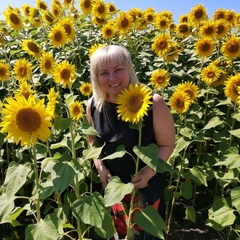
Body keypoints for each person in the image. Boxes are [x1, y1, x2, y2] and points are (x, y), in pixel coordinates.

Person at [86, 45, 175, 240]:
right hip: (114, 188)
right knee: (117, 234)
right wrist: (100, 168)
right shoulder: (93, 106)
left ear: (129, 69)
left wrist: (147, 172)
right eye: (104, 73)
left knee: (145, 234)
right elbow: (93, 143)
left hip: (146, 186)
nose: (112, 78)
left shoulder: (152, 103)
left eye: (118, 69)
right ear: (96, 77)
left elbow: (167, 144)